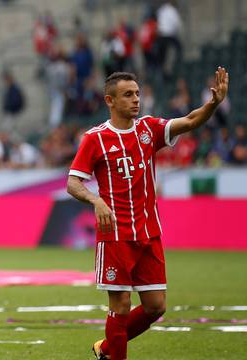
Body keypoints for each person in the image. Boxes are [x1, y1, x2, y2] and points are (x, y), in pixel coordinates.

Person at [66, 69, 228, 360]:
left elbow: (191, 120)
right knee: (121, 305)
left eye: (137, 93)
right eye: (128, 94)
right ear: (110, 100)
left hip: (149, 232)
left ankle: (106, 348)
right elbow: (73, 182)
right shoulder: (95, 138)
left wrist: (213, 104)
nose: (136, 100)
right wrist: (96, 201)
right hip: (115, 235)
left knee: (156, 306)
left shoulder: (148, 129)